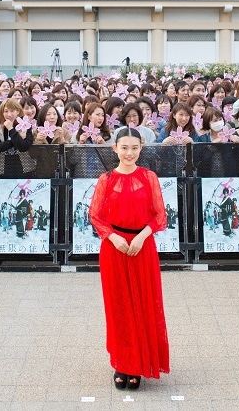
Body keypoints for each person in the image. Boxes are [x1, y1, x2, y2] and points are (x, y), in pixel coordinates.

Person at [89, 127, 170, 390]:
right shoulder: (106, 180)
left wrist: (141, 237)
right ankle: (122, 364)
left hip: (141, 247)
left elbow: (159, 216)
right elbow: (96, 216)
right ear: (115, 149)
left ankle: (139, 364)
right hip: (114, 248)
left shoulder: (149, 177)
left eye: (134, 148)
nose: (129, 153)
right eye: (124, 148)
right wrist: (113, 238)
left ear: (141, 148)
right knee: (119, 307)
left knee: (143, 304)